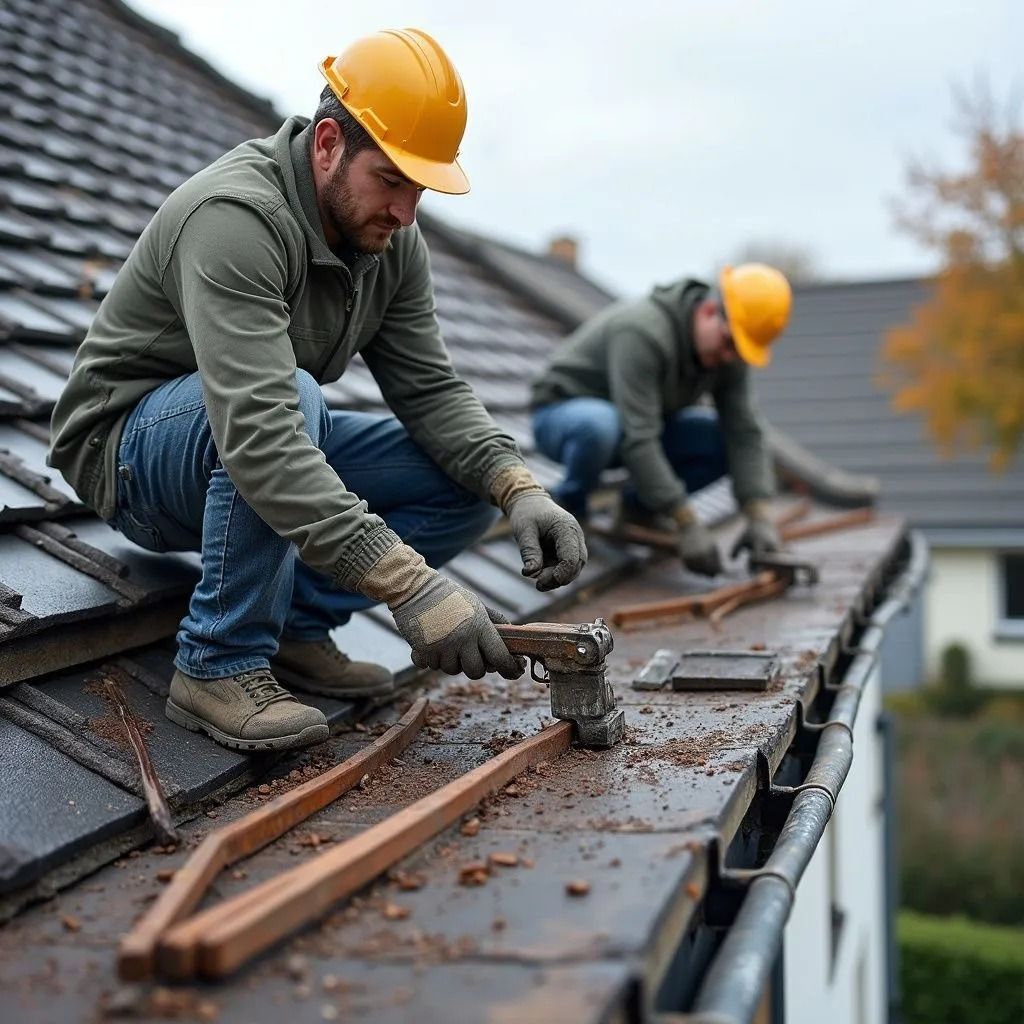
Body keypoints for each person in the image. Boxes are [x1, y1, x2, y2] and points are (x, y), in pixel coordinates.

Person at [48, 28, 585, 753]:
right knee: (296, 402)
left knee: (462, 479)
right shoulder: (237, 219)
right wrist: (409, 586)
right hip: (130, 459)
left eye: (419, 190)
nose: (405, 212)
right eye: (390, 181)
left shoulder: (391, 243)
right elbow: (264, 435)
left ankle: (296, 623)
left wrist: (518, 487)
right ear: (328, 143)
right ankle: (217, 662)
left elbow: (431, 389)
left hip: (245, 436)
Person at [531, 264, 792, 577]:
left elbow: (745, 432)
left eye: (738, 350)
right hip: (564, 416)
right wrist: (686, 521)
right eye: (728, 343)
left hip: (632, 426)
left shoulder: (728, 352)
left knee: (717, 438)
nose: (729, 357)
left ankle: (638, 509)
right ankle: (567, 512)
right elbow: (639, 437)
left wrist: (758, 514)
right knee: (601, 426)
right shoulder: (643, 331)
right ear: (710, 311)